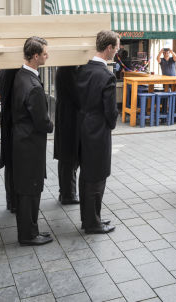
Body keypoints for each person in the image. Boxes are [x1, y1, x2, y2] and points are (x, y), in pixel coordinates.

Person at [75, 30, 119, 234]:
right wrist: (111, 124)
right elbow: (110, 111)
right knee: (98, 177)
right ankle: (93, 222)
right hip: (98, 130)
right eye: (116, 47)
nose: (117, 51)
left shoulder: (83, 69)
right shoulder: (106, 76)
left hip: (83, 127)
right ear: (109, 48)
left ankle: (90, 219)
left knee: (86, 176)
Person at [11, 36, 54, 246]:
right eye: (45, 53)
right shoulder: (33, 85)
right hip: (30, 144)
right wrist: (51, 125)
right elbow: (41, 120)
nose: (47, 56)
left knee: (26, 189)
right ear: (35, 56)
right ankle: (28, 235)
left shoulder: (20, 76)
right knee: (31, 190)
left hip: (21, 141)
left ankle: (31, 230)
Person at [54, 66, 80, 205]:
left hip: (65, 116)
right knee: (69, 157)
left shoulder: (64, 69)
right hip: (70, 119)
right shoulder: (69, 70)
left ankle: (65, 192)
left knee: (66, 158)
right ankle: (68, 194)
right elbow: (78, 95)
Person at [0, 68, 19, 213]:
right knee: (13, 164)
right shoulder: (12, 71)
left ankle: (11, 201)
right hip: (13, 123)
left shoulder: (3, 71)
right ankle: (14, 202)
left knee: (11, 165)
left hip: (8, 121)